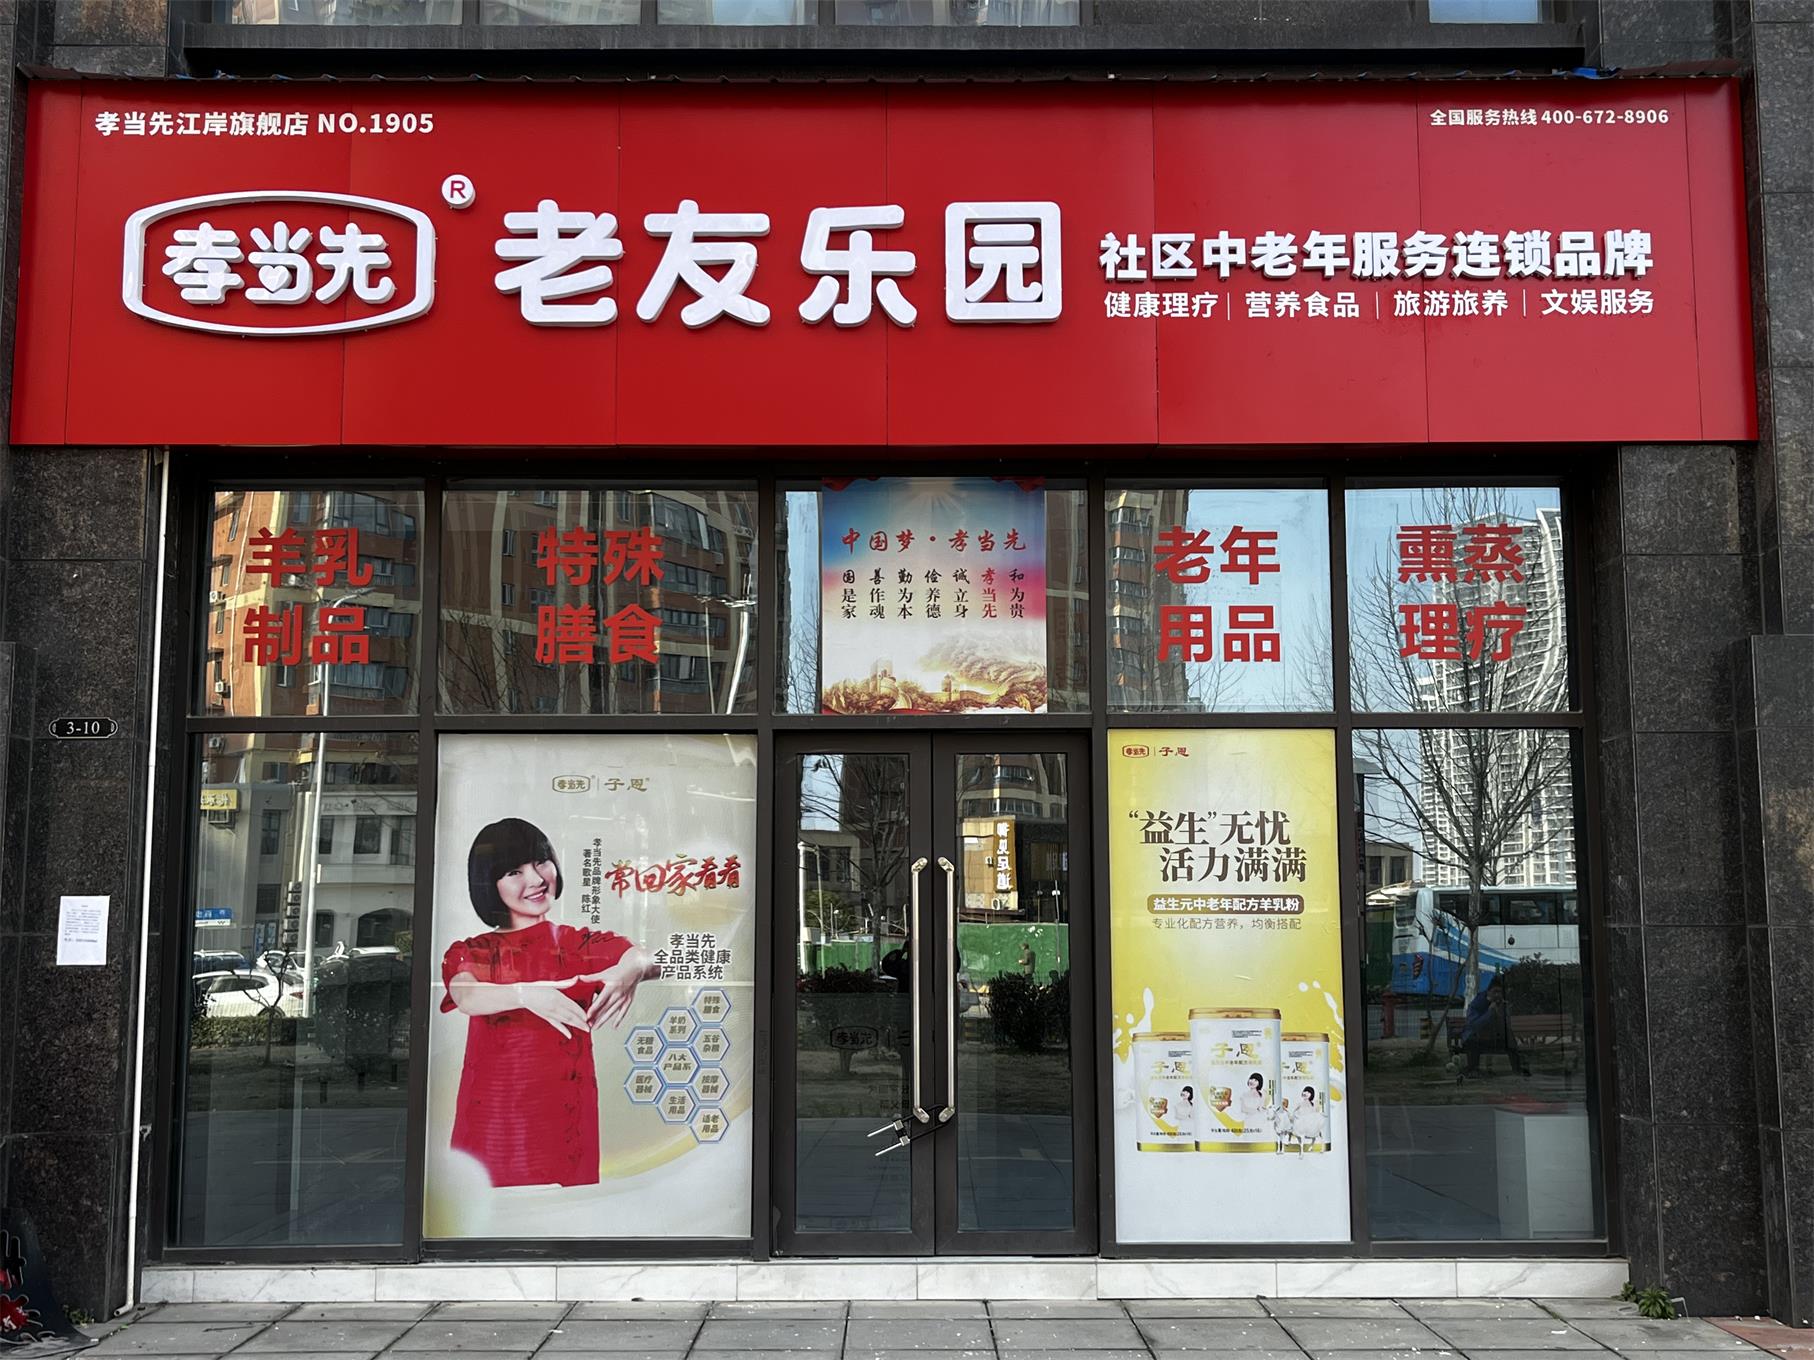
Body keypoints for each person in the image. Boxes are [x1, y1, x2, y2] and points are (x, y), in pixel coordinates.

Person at [440, 817, 659, 1189]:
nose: (536, 878)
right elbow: (466, 995)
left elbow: (647, 958)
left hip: (565, 1119)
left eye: (541, 861)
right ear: (488, 884)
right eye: (514, 871)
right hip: (495, 1121)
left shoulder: (576, 943)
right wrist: (526, 994)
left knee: (567, 1211)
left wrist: (631, 971)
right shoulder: (474, 950)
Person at [1457, 975, 1529, 1078]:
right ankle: (1472, 1070)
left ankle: (1517, 1069)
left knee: (1509, 1038)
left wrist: (1501, 1014)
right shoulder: (1477, 1003)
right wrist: (1490, 1012)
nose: (1497, 995)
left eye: (1500, 992)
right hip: (1474, 1039)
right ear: (1488, 991)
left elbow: (1506, 1026)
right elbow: (1474, 1026)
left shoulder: (1502, 1004)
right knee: (1472, 1041)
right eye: (1495, 992)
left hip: (1492, 1038)